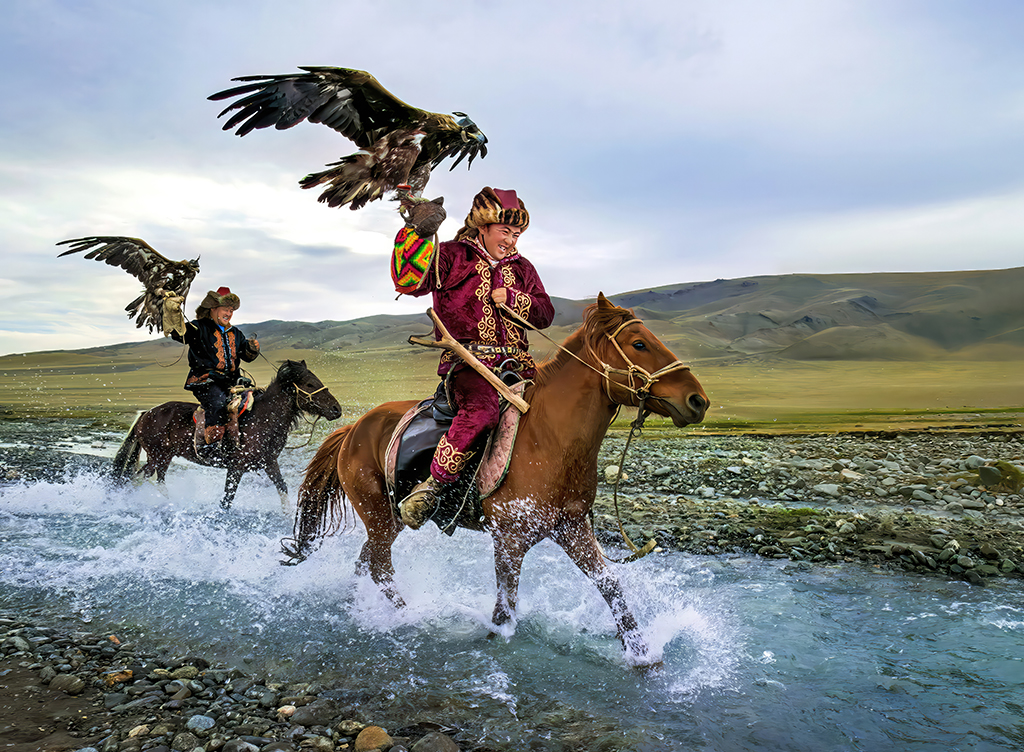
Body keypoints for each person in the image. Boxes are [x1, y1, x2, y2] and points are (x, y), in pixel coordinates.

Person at [392, 186, 554, 528]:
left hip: (519, 366)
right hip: (469, 365)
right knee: (481, 413)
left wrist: (513, 297)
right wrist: (416, 234)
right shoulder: (452, 255)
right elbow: (409, 281)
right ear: (483, 228)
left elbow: (545, 313)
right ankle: (433, 486)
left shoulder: (523, 268)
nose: (511, 240)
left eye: (517, 234)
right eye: (504, 232)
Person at [171, 286, 260, 454]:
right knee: (218, 402)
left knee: (254, 401)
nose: (229, 313)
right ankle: (208, 446)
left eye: (232, 310)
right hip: (204, 380)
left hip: (231, 382)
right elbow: (178, 334)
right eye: (225, 309)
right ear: (213, 308)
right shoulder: (199, 327)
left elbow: (246, 356)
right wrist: (173, 313)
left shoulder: (236, 333)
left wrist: (252, 348)